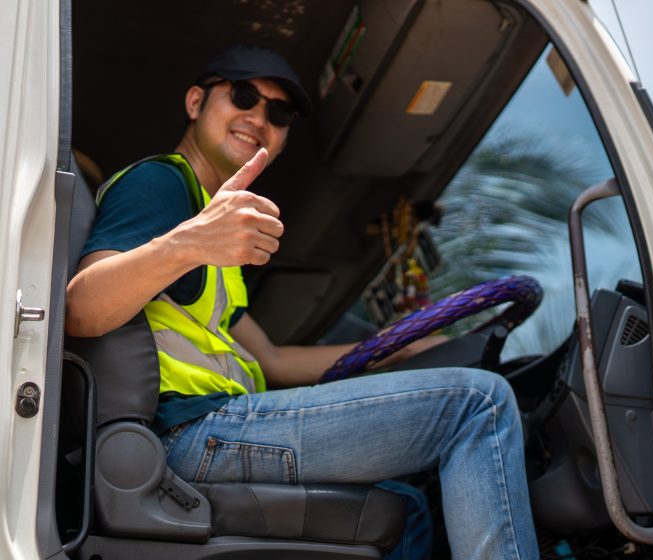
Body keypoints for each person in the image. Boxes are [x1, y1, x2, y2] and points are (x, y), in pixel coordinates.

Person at [65, 44, 539, 559]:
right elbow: (82, 309)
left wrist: (395, 346)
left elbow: (272, 361)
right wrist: (189, 243)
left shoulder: (212, 226)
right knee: (477, 404)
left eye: (278, 112)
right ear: (196, 101)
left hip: (213, 427)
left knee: (407, 506)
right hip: (192, 430)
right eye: (242, 95)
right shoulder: (162, 183)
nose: (258, 116)